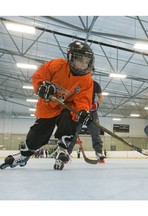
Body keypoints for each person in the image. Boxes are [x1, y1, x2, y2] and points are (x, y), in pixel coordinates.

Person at [0, 40, 94, 170]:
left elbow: (83, 99)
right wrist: (41, 87)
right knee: (39, 133)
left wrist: (83, 111)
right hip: (48, 107)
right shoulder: (56, 65)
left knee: (69, 117)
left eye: (87, 61)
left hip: (66, 107)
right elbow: (39, 77)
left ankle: (63, 147)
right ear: (71, 58)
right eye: (80, 60)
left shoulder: (87, 80)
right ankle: (24, 155)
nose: (84, 64)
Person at [68, 80, 105, 160]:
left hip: (91, 111)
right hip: (79, 110)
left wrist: (97, 104)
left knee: (95, 132)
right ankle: (67, 152)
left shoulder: (95, 84)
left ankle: (99, 152)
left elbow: (100, 96)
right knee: (73, 132)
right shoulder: (76, 81)